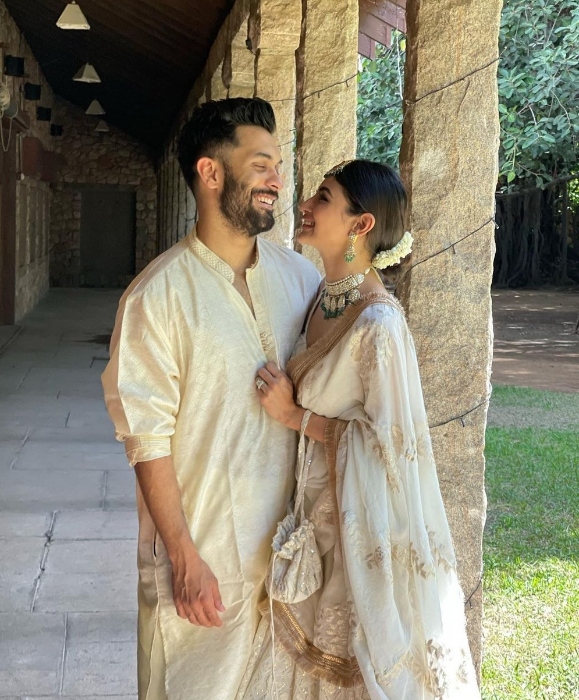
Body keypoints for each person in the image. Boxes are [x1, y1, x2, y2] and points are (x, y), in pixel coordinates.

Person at [101, 98, 321, 700]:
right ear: (210, 172)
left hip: (289, 561)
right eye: (261, 165)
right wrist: (183, 556)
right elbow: (146, 439)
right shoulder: (157, 297)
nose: (277, 181)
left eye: (278, 166)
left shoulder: (302, 280)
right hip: (203, 562)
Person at [238, 159, 481, 699]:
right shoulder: (318, 298)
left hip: (356, 534)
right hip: (310, 518)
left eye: (323, 198)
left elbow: (390, 447)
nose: (304, 205)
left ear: (361, 224)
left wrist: (293, 416)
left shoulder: (379, 325)